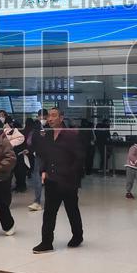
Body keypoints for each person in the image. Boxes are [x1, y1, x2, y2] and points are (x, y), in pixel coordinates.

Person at [32, 107, 84, 253]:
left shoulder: (71, 135)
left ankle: (78, 235)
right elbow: (44, 156)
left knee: (71, 209)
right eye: (49, 116)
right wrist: (43, 171)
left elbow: (79, 158)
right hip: (51, 179)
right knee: (49, 212)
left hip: (68, 180)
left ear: (61, 118)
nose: (50, 118)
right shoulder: (46, 135)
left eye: (54, 116)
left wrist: (70, 173)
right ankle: (46, 242)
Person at [23, 117, 44, 210]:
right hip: (42, 156)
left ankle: (38, 201)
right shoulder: (45, 129)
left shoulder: (35, 130)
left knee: (37, 176)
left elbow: (30, 142)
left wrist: (30, 150)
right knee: (38, 177)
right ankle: (38, 201)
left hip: (40, 156)